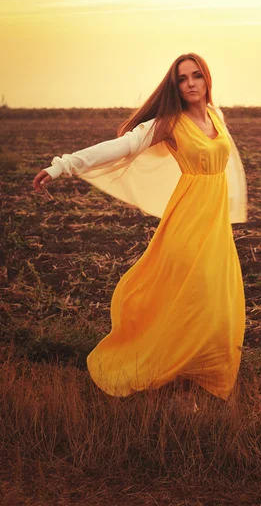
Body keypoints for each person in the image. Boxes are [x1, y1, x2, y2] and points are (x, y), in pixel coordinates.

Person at [32, 53, 248, 412]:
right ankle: (177, 389)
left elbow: (229, 166)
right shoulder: (168, 123)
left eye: (197, 76)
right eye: (183, 79)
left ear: (207, 79)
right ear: (174, 86)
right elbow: (123, 146)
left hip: (215, 226)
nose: (191, 83)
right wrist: (63, 165)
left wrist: (235, 209)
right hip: (187, 224)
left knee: (216, 307)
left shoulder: (216, 116)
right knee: (196, 304)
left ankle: (190, 385)